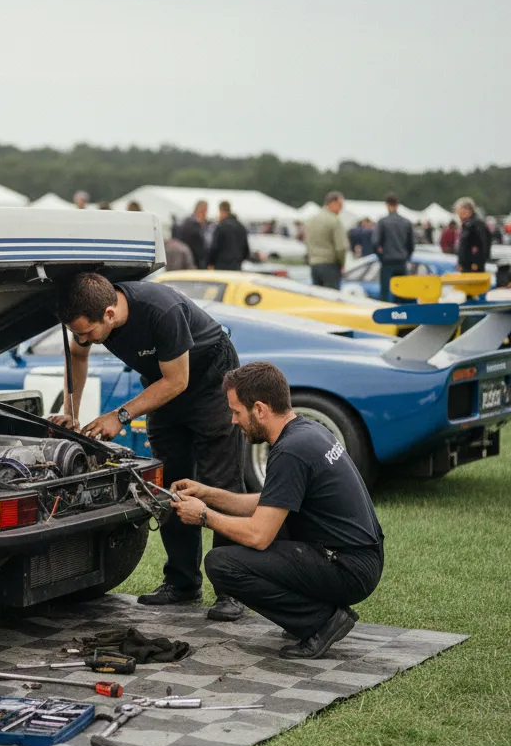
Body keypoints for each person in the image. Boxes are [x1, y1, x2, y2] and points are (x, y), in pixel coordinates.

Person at [51, 273, 247, 621]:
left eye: (87, 333)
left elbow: (179, 380)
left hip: (209, 382)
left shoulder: (161, 309)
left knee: (220, 484)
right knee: (169, 483)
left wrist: (120, 416)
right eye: (77, 333)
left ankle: (232, 589)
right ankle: (183, 583)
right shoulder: (90, 318)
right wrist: (71, 414)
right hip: (163, 387)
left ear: (109, 314)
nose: (83, 340)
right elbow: (77, 359)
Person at [171, 362, 383, 659]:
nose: (233, 421)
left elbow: (258, 535)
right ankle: (315, 614)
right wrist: (207, 494)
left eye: (236, 412)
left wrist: (204, 516)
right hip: (359, 558)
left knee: (222, 564)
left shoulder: (290, 451)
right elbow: (270, 502)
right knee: (269, 532)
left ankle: (321, 621)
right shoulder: (307, 431)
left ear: (259, 409)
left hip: (349, 569)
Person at [372, 193, 415, 302]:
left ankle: (386, 316)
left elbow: (375, 242)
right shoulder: (406, 222)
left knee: (385, 292)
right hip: (401, 261)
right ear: (397, 205)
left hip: (387, 261)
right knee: (402, 293)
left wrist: (381, 256)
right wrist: (407, 256)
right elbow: (411, 244)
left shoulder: (382, 222)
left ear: (387, 204)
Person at [305, 191, 349, 289]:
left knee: (319, 300)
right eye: (340, 204)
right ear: (332, 203)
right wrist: (342, 264)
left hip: (314, 265)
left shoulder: (312, 220)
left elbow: (307, 242)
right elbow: (341, 247)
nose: (341, 208)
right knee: (332, 300)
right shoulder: (334, 220)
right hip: (330, 265)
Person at [207, 201, 250, 271]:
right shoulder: (241, 227)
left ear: (221, 211)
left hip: (221, 266)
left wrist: (210, 263)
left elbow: (214, 247)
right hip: (237, 266)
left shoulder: (221, 226)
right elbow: (246, 251)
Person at [454, 197, 491, 273]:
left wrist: (476, 262)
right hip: (466, 265)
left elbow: (482, 244)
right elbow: (463, 247)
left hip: (473, 266)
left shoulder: (476, 224)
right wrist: (460, 262)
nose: (458, 215)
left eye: (459, 212)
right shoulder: (467, 225)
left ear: (467, 210)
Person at [178, 200, 208, 268]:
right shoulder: (192, 224)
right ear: (200, 211)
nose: (205, 214)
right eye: (205, 211)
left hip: (191, 259)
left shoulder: (188, 221)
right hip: (192, 260)